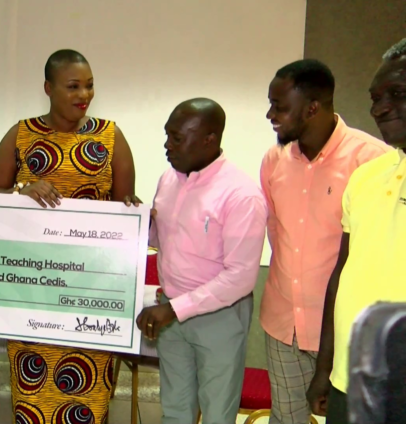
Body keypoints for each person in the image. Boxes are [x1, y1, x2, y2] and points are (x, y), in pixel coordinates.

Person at [0, 49, 141, 423]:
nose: (84, 95)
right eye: (73, 86)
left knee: (88, 399)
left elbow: (125, 207)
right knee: (32, 395)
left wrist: (134, 209)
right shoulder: (22, 134)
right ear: (48, 88)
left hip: (92, 292)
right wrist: (21, 190)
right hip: (32, 289)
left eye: (89, 86)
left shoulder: (111, 136)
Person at [260, 59, 390, 424]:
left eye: (280, 106)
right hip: (284, 324)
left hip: (346, 331)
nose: (270, 115)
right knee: (286, 419)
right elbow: (276, 232)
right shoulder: (273, 161)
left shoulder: (372, 161)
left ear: (312, 108)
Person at [137, 98, 268, 424]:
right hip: (170, 311)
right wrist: (138, 224)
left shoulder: (241, 195)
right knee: (175, 410)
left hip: (219, 318)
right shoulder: (168, 180)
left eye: (177, 138)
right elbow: (162, 241)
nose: (167, 146)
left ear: (210, 139)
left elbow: (240, 277)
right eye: (167, 135)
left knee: (216, 414)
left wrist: (174, 309)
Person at [306, 38, 406, 424]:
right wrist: (325, 368)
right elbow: (343, 274)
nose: (380, 108)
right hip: (349, 381)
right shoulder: (366, 176)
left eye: (397, 94)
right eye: (375, 98)